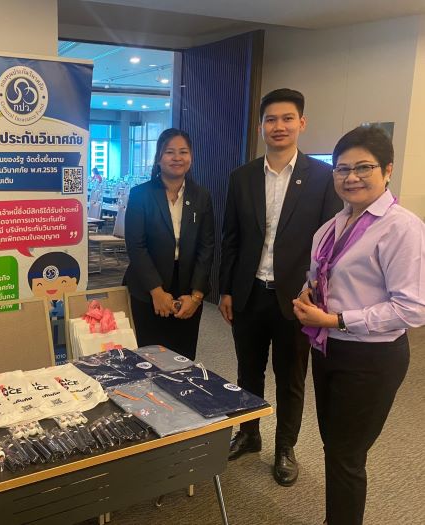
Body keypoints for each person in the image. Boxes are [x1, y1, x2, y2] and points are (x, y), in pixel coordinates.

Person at [293, 125, 425, 524]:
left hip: (371, 357)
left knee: (347, 456)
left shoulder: (401, 228)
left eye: (363, 167)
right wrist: (308, 293)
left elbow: (412, 309)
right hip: (328, 348)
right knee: (334, 447)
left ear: (387, 170)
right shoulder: (331, 226)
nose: (351, 177)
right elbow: (322, 276)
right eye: (342, 169)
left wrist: (336, 319)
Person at [218, 88, 342, 486]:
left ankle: (285, 447)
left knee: (291, 378)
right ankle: (249, 433)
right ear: (261, 127)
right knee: (248, 372)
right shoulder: (242, 177)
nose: (279, 126)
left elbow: (328, 248)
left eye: (287, 118)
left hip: (297, 298)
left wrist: (316, 294)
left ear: (301, 123)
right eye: (271, 119)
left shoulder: (322, 178)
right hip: (250, 292)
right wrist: (226, 290)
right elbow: (231, 238)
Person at [124, 128, 214, 360]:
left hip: (187, 288)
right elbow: (136, 246)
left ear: (191, 157)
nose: (177, 158)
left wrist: (196, 296)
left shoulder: (201, 196)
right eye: (169, 152)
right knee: (147, 358)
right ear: (158, 158)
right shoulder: (140, 194)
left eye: (183, 152)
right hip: (148, 287)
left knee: (183, 358)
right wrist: (156, 291)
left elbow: (207, 247)